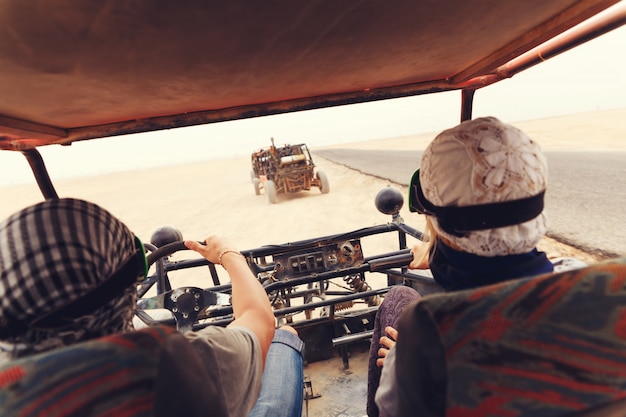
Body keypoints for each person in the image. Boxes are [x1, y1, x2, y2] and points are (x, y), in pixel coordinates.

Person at [0, 197, 304, 417]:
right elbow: (259, 319)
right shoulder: (165, 363)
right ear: (122, 295)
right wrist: (227, 253)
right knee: (283, 335)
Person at [366, 116, 556, 417]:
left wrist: (400, 359)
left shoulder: (426, 342)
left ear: (440, 223)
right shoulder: (598, 286)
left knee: (399, 297)